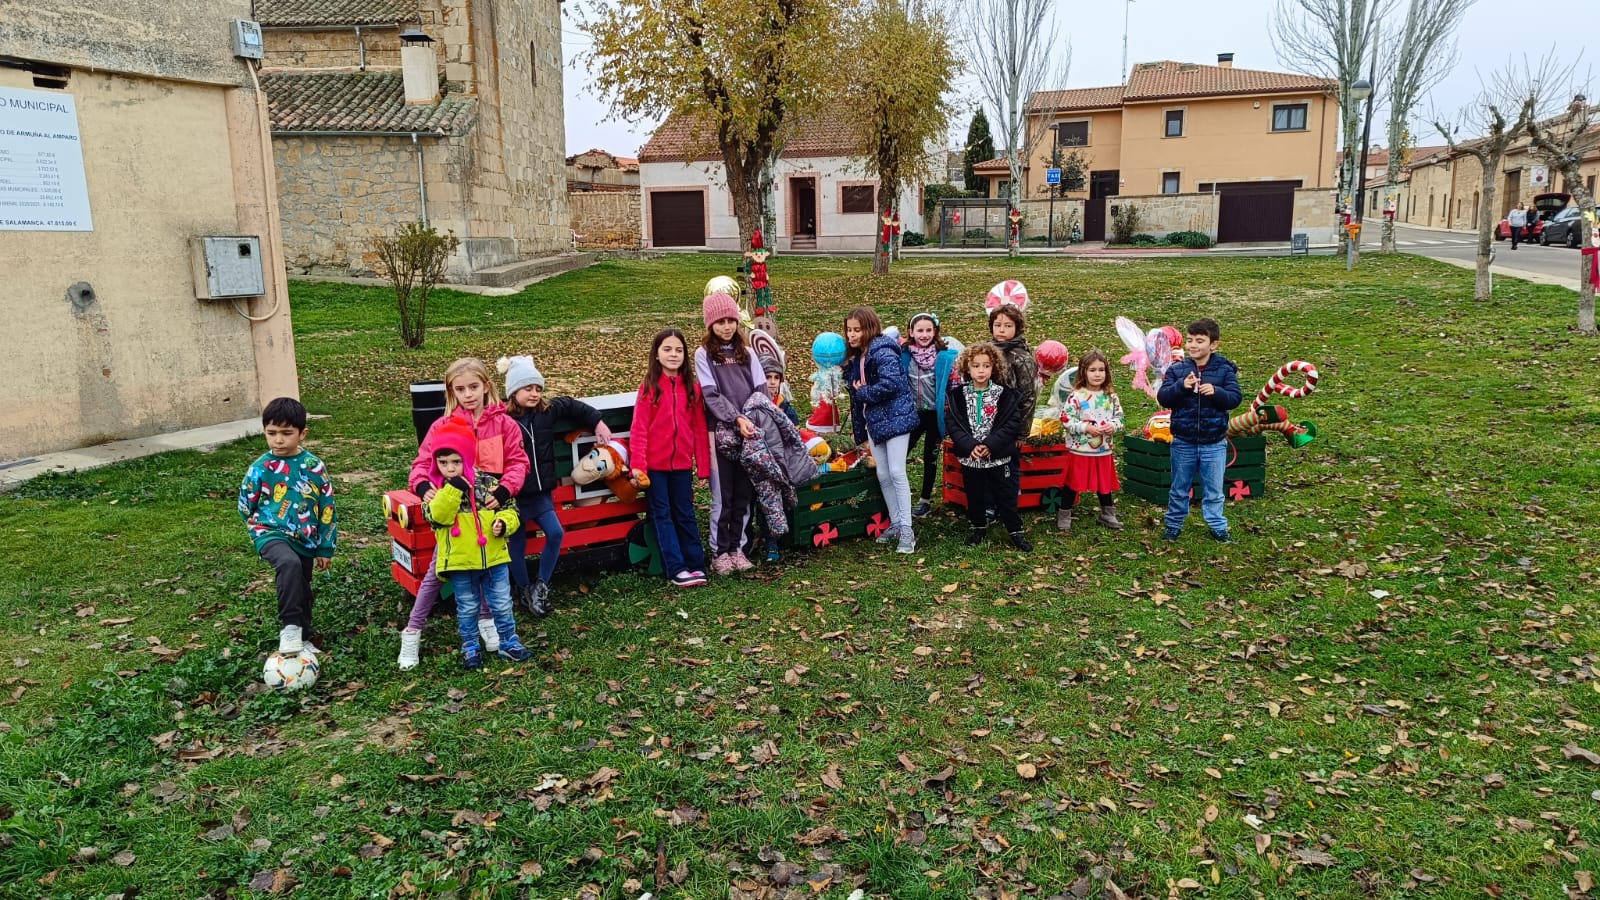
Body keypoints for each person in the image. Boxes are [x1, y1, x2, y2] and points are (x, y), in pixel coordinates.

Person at [398, 357, 529, 670]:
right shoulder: (442, 427)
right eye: (460, 389)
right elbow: (421, 465)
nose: (468, 394)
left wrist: (504, 491)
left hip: (489, 515)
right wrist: (423, 487)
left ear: (486, 385)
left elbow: (518, 462)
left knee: (487, 569)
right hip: (454, 519)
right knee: (435, 574)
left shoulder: (505, 424)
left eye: (473, 386)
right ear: (451, 392)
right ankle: (412, 631)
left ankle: (487, 625)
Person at [500, 354, 610, 617]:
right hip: (515, 497)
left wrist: (597, 421)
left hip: (541, 495)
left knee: (555, 533)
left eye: (538, 388)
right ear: (513, 391)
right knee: (516, 544)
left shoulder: (546, 412)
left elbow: (574, 406)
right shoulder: (503, 420)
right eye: (528, 388)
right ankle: (523, 589)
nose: (535, 393)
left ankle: (541, 586)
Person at [422, 421, 530, 668]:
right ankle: (470, 646)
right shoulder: (433, 489)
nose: (450, 468)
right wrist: (452, 491)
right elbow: (436, 517)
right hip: (461, 562)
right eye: (444, 462)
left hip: (494, 558)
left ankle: (508, 642)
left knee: (502, 603)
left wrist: (503, 523)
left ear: (467, 458)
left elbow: (511, 509)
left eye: (456, 462)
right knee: (468, 607)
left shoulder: (487, 483)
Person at [238, 397, 337, 655]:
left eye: (286, 433)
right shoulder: (260, 468)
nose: (278, 440)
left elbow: (327, 508)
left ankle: (303, 638)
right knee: (288, 564)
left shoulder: (314, 467)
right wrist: (260, 524)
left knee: (302, 587)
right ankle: (290, 627)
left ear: (303, 433)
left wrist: (325, 547)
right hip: (268, 533)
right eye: (271, 433)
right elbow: (245, 505)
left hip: (305, 539)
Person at [631, 328, 711, 588]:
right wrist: (638, 468)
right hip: (654, 468)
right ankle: (676, 568)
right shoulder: (649, 388)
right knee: (662, 515)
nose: (673, 354)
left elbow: (699, 428)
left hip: (682, 465)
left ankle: (696, 563)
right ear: (656, 354)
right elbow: (639, 429)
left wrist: (704, 467)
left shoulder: (693, 390)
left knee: (685, 513)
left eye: (678, 350)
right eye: (667, 349)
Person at [696, 291, 767, 575]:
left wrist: (751, 419)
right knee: (723, 496)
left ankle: (739, 547)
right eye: (720, 321)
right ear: (710, 324)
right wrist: (736, 418)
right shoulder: (704, 355)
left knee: (743, 493)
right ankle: (720, 551)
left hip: (749, 432)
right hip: (720, 433)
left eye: (731, 320)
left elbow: (760, 390)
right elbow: (711, 395)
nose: (726, 327)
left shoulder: (747, 352)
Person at [1156, 318, 1243, 543]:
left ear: (1213, 345)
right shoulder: (1177, 370)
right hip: (1183, 440)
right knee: (1179, 487)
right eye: (1190, 340)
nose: (1193, 345)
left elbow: (1234, 398)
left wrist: (1216, 392)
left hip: (1213, 442)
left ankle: (1217, 525)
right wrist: (1181, 387)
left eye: (1199, 341)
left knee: (1214, 489)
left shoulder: (1224, 370)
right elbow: (1163, 397)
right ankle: (1174, 524)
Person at [845, 306, 920, 554]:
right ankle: (896, 522)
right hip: (874, 422)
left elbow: (891, 383)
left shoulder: (882, 350)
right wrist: (859, 433)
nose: (852, 335)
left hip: (896, 418)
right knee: (883, 474)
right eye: (849, 330)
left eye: (857, 329)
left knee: (898, 471)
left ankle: (908, 531)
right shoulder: (857, 358)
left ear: (870, 328)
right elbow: (856, 399)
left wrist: (863, 392)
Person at [945, 343, 1031, 551]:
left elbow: (1012, 423)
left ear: (994, 368)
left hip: (999, 456)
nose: (981, 371)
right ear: (968, 368)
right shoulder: (957, 396)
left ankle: (1015, 531)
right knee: (974, 494)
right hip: (971, 457)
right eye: (976, 366)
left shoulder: (1006, 395)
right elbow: (954, 424)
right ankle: (978, 527)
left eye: (986, 366)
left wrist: (990, 445)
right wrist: (970, 446)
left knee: (1006, 493)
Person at [1056, 349, 1125, 532]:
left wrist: (1113, 425)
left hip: (1103, 449)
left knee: (1104, 483)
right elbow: (1066, 419)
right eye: (1092, 370)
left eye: (1101, 370)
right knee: (1073, 482)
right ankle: (1064, 513)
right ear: (1083, 372)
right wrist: (1085, 427)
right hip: (1080, 449)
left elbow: (1120, 418)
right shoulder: (1076, 396)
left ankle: (1107, 513)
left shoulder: (1110, 396)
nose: (1097, 374)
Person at [900, 312, 959, 518]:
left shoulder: (943, 357)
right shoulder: (904, 355)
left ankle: (924, 500)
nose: (924, 335)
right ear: (911, 332)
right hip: (912, 415)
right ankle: (899, 497)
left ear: (935, 332)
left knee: (930, 456)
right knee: (900, 454)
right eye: (920, 330)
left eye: (928, 330)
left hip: (935, 416)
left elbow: (953, 386)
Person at [988, 302, 1036, 513]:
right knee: (989, 461)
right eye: (998, 325)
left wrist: (1022, 432)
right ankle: (990, 505)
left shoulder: (1021, 357)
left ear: (1017, 328)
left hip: (1011, 420)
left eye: (1007, 326)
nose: (1001, 330)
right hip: (988, 419)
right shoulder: (988, 351)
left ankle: (1008, 507)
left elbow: (1028, 395)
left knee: (1008, 465)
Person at [762, 357, 800, 426]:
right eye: (767, 377)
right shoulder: (753, 405)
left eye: (776, 377)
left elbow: (794, 432)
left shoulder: (785, 408)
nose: (773, 382)